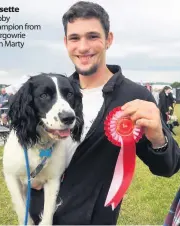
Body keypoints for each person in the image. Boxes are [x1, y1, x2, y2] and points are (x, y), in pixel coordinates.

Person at [28, 1, 180, 225]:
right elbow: (25, 144)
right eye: (75, 38)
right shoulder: (52, 93)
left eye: (92, 36)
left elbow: (168, 167)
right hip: (38, 216)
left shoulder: (134, 96)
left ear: (109, 40)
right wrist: (28, 173)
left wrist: (158, 137)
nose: (83, 47)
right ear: (65, 42)